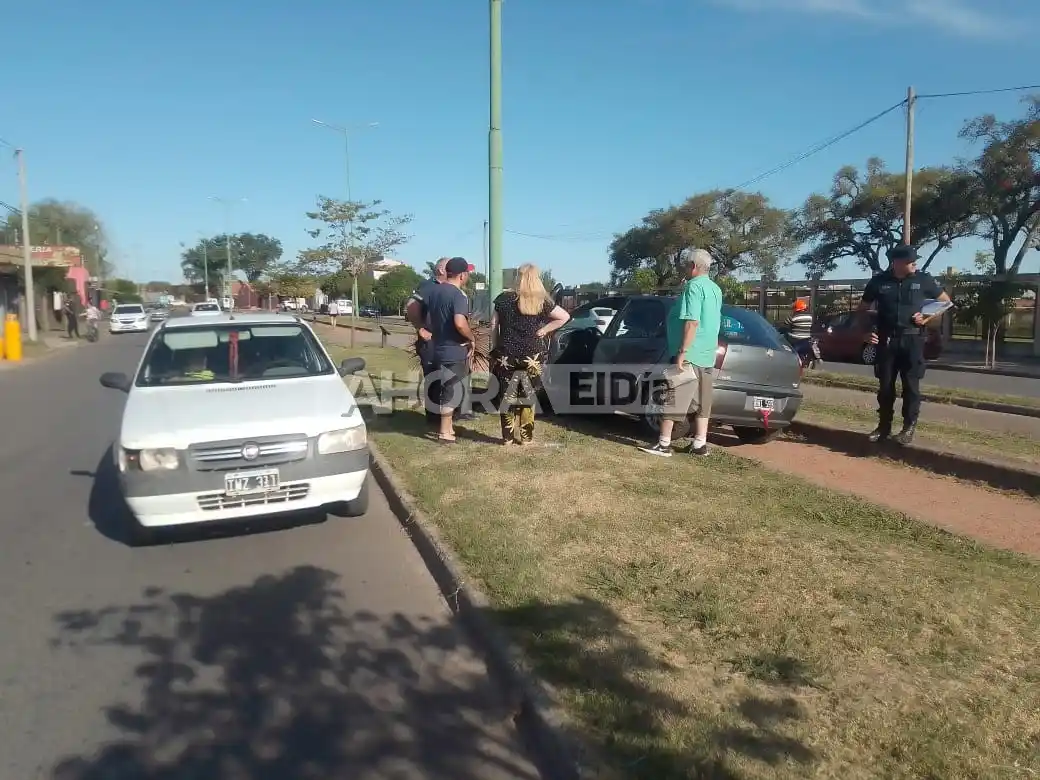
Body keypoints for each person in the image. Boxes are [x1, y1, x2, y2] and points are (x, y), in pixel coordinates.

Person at [857, 244, 952, 445]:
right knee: (885, 387)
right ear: (897, 263)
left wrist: (926, 317)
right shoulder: (878, 281)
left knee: (911, 386)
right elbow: (863, 309)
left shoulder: (923, 279)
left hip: (913, 339)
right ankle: (883, 427)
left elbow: (945, 301)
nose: (915, 265)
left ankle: (908, 429)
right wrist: (866, 332)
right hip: (886, 340)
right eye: (911, 262)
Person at [640, 248, 723, 457]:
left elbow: (692, 321)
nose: (685, 269)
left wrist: (683, 351)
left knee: (675, 395)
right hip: (707, 353)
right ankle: (699, 444)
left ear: (693, 266)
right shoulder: (715, 289)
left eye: (686, 265)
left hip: (691, 352)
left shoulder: (693, 287)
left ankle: (664, 443)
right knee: (704, 401)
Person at [490, 263, 570, 445]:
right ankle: (526, 438)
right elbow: (564, 317)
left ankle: (507, 438)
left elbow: (494, 325)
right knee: (528, 397)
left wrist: (495, 347)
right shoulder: (541, 300)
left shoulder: (503, 298)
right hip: (532, 356)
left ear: (518, 277)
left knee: (507, 396)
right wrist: (544, 330)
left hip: (507, 354)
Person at [423, 257, 476, 443]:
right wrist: (471, 338)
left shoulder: (434, 291)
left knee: (445, 388)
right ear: (462, 275)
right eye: (467, 273)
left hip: (437, 347)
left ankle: (449, 428)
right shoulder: (458, 295)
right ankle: (444, 432)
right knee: (451, 391)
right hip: (453, 349)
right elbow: (460, 324)